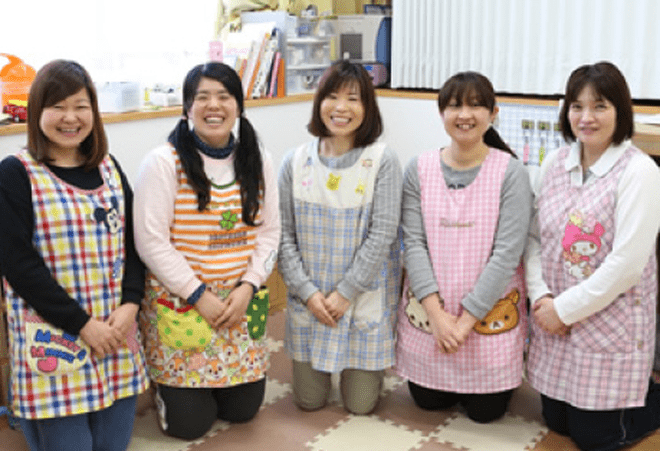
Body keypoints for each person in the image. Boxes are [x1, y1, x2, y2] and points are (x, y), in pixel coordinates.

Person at [0, 60, 149, 451]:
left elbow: (135, 244)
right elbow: (18, 266)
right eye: (58, 106)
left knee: (111, 446)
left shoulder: (110, 168)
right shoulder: (15, 173)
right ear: (36, 112)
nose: (71, 117)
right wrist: (82, 324)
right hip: (56, 339)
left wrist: (132, 302)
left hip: (115, 335)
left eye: (81, 106)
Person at [133, 62, 280, 440]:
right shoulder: (164, 163)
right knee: (189, 427)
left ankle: (213, 389)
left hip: (238, 302)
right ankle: (169, 391)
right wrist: (198, 294)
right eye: (202, 98)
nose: (213, 106)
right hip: (183, 302)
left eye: (224, 96)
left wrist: (248, 287)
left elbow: (270, 232)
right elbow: (151, 242)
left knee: (243, 411)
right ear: (186, 108)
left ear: (239, 107)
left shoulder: (257, 159)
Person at [525, 61, 660, 450]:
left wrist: (564, 310)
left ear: (620, 110)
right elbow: (535, 239)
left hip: (608, 321)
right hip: (555, 319)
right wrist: (543, 298)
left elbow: (627, 267)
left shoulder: (639, 172)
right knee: (557, 420)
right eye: (576, 106)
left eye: (599, 106)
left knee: (595, 438)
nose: (586, 117)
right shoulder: (554, 164)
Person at [395, 71, 532, 423]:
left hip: (487, 320)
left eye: (475, 105)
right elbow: (414, 245)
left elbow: (506, 254)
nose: (464, 115)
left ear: (493, 112)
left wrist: (465, 322)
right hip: (432, 320)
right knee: (427, 401)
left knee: (486, 414)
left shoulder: (511, 173)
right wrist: (438, 318)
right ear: (441, 113)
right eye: (454, 105)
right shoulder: (419, 169)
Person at [278, 60, 402, 415]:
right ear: (319, 103)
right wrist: (309, 294)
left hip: (360, 297)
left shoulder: (382, 160)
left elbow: (382, 235)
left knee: (361, 407)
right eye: (332, 96)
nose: (341, 108)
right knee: (308, 401)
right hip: (311, 300)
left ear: (368, 108)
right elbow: (283, 238)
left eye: (353, 98)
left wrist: (346, 292)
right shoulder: (295, 161)